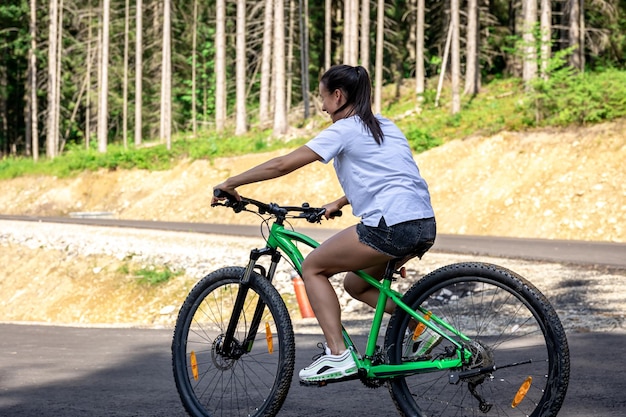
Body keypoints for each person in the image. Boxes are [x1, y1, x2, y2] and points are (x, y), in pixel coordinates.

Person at [212, 64, 436, 383]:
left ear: (338, 95)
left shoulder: (344, 129)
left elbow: (282, 164)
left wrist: (231, 182)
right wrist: (341, 201)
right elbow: (390, 176)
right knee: (356, 284)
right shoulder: (385, 126)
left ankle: (338, 354)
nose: (322, 106)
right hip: (422, 223)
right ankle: (421, 326)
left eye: (323, 98)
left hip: (390, 225)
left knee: (314, 267)